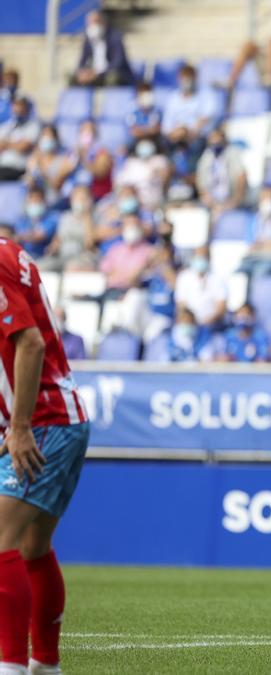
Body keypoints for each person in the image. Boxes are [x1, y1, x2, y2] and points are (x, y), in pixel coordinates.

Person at [0, 236, 90, 675]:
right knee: (34, 546)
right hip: (58, 417)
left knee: (2, 539)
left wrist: (18, 428)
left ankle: (11, 666)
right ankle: (43, 665)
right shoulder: (9, 250)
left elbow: (30, 344)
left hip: (44, 421)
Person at [238, 186, 271, 277]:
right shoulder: (253, 222)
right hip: (253, 259)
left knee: (261, 271)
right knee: (240, 273)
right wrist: (270, 244)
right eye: (264, 198)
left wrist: (261, 245)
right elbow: (251, 245)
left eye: (270, 198)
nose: (267, 202)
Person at [40, 185, 97, 272]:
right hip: (63, 256)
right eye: (76, 198)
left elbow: (90, 245)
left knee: (71, 268)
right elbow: (58, 237)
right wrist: (52, 248)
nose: (79, 201)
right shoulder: (65, 217)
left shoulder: (94, 217)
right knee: (41, 266)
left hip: (83, 257)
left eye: (82, 198)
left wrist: (86, 218)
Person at [72, 10, 134, 86]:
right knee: (72, 77)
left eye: (95, 22)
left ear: (103, 22)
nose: (92, 26)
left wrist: (98, 73)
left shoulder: (115, 38)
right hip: (94, 74)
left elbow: (118, 62)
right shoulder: (88, 40)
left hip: (112, 74)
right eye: (89, 23)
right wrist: (83, 72)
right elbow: (82, 60)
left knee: (112, 78)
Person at [195, 126, 247, 217]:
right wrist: (206, 197)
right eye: (213, 140)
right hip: (211, 201)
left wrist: (236, 200)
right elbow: (200, 180)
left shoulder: (232, 152)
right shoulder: (207, 155)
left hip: (230, 198)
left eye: (218, 140)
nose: (215, 143)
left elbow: (241, 176)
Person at [98, 214, 155, 294]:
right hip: (111, 290)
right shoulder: (115, 249)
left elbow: (134, 278)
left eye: (134, 225)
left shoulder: (149, 250)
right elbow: (106, 271)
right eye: (128, 225)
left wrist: (119, 274)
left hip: (133, 292)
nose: (130, 229)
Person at [175, 248, 228, 330]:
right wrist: (189, 321)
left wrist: (207, 322)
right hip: (190, 324)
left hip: (212, 326)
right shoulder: (184, 277)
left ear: (209, 258)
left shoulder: (218, 278)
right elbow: (181, 305)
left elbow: (221, 307)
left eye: (204, 256)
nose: (201, 259)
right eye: (199, 256)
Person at [26, 126, 77, 204]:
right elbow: (31, 184)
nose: (46, 139)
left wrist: (41, 168)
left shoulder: (64, 161)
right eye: (44, 136)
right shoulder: (33, 159)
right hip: (39, 202)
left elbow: (56, 186)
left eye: (50, 136)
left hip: (56, 202)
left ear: (55, 139)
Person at [0, 97, 40, 181]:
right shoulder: (6, 126)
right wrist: (14, 144)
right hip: (2, 167)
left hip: (19, 169)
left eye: (21, 105)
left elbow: (23, 146)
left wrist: (6, 144)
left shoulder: (33, 126)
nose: (18, 108)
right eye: (16, 105)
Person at [14, 187, 58, 259]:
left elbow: (39, 236)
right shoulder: (22, 219)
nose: (34, 202)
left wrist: (21, 237)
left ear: (44, 201)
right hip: (24, 257)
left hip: (44, 257)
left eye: (37, 200)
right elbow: (17, 238)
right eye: (31, 200)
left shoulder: (52, 217)